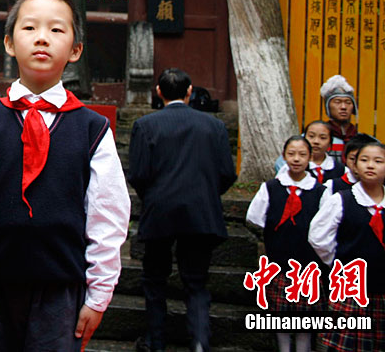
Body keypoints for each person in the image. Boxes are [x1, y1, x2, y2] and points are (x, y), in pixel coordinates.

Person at [0, 0, 129, 352]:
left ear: (75, 50)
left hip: (61, 289)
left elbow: (108, 215)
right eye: (29, 28)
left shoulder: (92, 129)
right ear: (9, 43)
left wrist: (99, 294)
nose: (42, 38)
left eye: (56, 29)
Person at [128, 67, 237, 352]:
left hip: (159, 210)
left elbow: (138, 174)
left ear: (158, 92)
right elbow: (227, 172)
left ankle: (156, 341)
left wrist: (152, 197)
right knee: (196, 281)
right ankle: (199, 341)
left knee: (154, 279)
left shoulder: (145, 125)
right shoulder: (214, 126)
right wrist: (207, 195)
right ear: (190, 92)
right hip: (201, 211)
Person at [245, 135, 329, 352]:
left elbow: (326, 227)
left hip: (309, 266)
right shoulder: (271, 187)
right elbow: (254, 218)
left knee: (304, 320)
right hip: (279, 263)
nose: (296, 159)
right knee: (281, 315)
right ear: (283, 156)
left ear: (310, 158)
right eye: (291, 154)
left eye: (302, 154)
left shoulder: (320, 191)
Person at [309, 141, 385, 352]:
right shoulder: (342, 200)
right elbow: (318, 237)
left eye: (378, 161)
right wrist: (338, 263)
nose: (371, 165)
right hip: (351, 290)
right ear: (354, 166)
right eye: (364, 160)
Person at [320, 74, 358, 159]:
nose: (343, 107)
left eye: (348, 102)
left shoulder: (364, 141)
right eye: (337, 102)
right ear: (328, 107)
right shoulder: (315, 139)